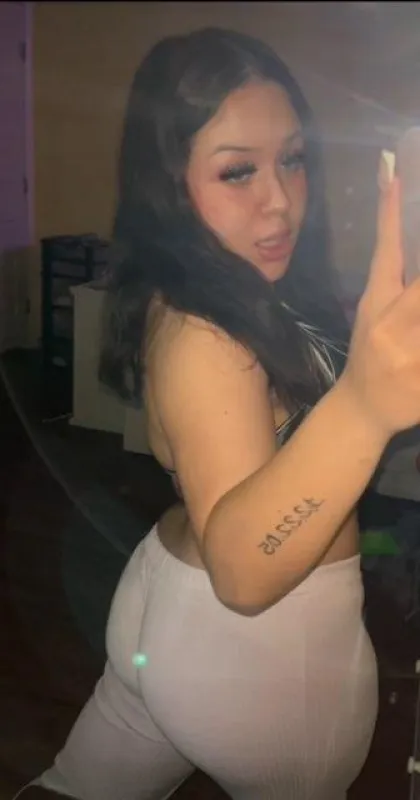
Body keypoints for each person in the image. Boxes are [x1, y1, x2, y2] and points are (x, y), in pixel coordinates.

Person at [21, 25, 420, 800]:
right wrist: (366, 406)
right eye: (238, 171)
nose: (280, 201)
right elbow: (242, 570)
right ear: (170, 185)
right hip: (262, 657)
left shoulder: (237, 287)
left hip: (173, 602)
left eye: (293, 160)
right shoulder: (204, 335)